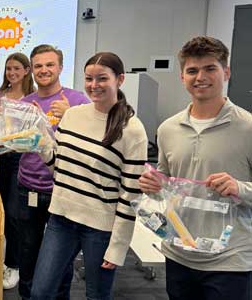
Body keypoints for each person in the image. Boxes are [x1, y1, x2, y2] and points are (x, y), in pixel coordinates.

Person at [139, 36, 252, 300]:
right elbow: (165, 185)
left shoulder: (248, 128)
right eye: (192, 70)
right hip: (179, 253)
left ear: (226, 72)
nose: (200, 77)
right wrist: (153, 186)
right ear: (182, 77)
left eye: (210, 68)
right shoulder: (168, 129)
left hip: (230, 260)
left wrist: (240, 187)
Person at [30, 52, 147, 300]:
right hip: (60, 218)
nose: (94, 85)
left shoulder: (132, 130)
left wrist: (117, 247)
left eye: (102, 78)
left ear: (120, 79)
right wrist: (38, 138)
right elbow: (58, 167)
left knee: (96, 295)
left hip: (100, 228)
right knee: (40, 292)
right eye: (89, 79)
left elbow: (131, 195)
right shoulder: (73, 115)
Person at [15, 44, 90, 300]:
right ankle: (27, 296)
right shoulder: (24, 104)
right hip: (28, 188)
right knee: (28, 251)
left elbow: (95, 141)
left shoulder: (78, 101)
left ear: (60, 67)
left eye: (49, 65)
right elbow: (14, 143)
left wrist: (70, 116)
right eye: (38, 66)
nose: (44, 70)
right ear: (31, 71)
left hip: (64, 190)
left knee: (61, 257)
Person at [0, 52, 35, 290]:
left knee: (16, 213)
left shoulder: (33, 97)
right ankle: (3, 260)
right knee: (2, 211)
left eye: (17, 68)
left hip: (23, 159)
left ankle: (14, 264)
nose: (12, 73)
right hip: (1, 158)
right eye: (9, 69)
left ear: (27, 70)